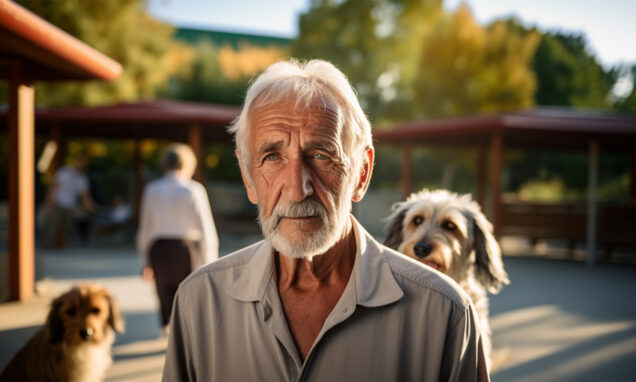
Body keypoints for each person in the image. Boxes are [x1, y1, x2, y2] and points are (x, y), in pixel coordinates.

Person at [163, 59, 489, 381]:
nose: (296, 189)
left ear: (361, 173)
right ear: (248, 176)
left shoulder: (446, 314)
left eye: (321, 155)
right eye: (272, 156)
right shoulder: (198, 303)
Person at [136, 143, 219, 335]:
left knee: (164, 294)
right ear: (189, 163)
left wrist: (144, 261)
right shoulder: (194, 190)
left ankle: (168, 330)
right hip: (186, 249)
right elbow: (206, 228)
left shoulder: (152, 189)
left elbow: (145, 228)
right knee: (189, 293)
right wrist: (210, 262)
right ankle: (186, 333)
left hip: (159, 249)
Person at [41, 156, 96, 248]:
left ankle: (59, 245)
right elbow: (53, 187)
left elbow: (84, 196)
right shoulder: (64, 172)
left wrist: (91, 208)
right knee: (52, 226)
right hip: (58, 202)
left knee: (65, 227)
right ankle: (48, 245)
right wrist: (49, 202)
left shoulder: (82, 178)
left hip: (69, 205)